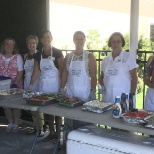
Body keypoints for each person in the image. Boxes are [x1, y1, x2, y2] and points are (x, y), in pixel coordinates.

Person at [30, 30, 64, 142]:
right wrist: (30, 86)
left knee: (57, 112)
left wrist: (62, 86)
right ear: (41, 40)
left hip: (55, 85)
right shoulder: (37, 55)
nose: (46, 39)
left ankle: (58, 135)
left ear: (51, 38)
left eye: (48, 37)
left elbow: (63, 70)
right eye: (44, 37)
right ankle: (52, 132)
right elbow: (35, 72)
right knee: (47, 111)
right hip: (43, 86)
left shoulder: (57, 53)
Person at [60, 31, 97, 130]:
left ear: (84, 40)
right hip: (70, 94)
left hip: (84, 94)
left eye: (81, 39)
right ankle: (68, 142)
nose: (79, 41)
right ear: (73, 40)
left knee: (84, 122)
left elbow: (93, 75)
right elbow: (65, 73)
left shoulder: (89, 56)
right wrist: (61, 88)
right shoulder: (68, 56)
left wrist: (93, 91)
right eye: (77, 39)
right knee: (69, 121)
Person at [99, 32, 138, 104]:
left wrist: (132, 95)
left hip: (123, 98)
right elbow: (101, 77)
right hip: (107, 98)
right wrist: (102, 88)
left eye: (118, 41)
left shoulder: (128, 57)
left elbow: (134, 78)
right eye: (113, 41)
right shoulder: (105, 60)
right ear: (110, 43)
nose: (115, 43)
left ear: (122, 43)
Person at [0, 37, 23, 132]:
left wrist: (15, 84)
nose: (9, 46)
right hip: (3, 87)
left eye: (12, 45)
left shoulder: (18, 57)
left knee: (16, 106)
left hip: (16, 86)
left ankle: (16, 124)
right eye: (7, 44)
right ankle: (10, 123)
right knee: (6, 106)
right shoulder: (0, 56)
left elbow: (20, 72)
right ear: (3, 45)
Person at [23, 35, 44, 137]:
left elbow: (37, 71)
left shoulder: (39, 55)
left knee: (37, 106)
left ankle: (41, 128)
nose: (32, 45)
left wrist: (31, 85)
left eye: (33, 43)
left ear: (36, 44)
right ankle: (35, 127)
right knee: (31, 106)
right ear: (27, 45)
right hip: (27, 81)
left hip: (36, 82)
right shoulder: (25, 56)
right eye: (30, 43)